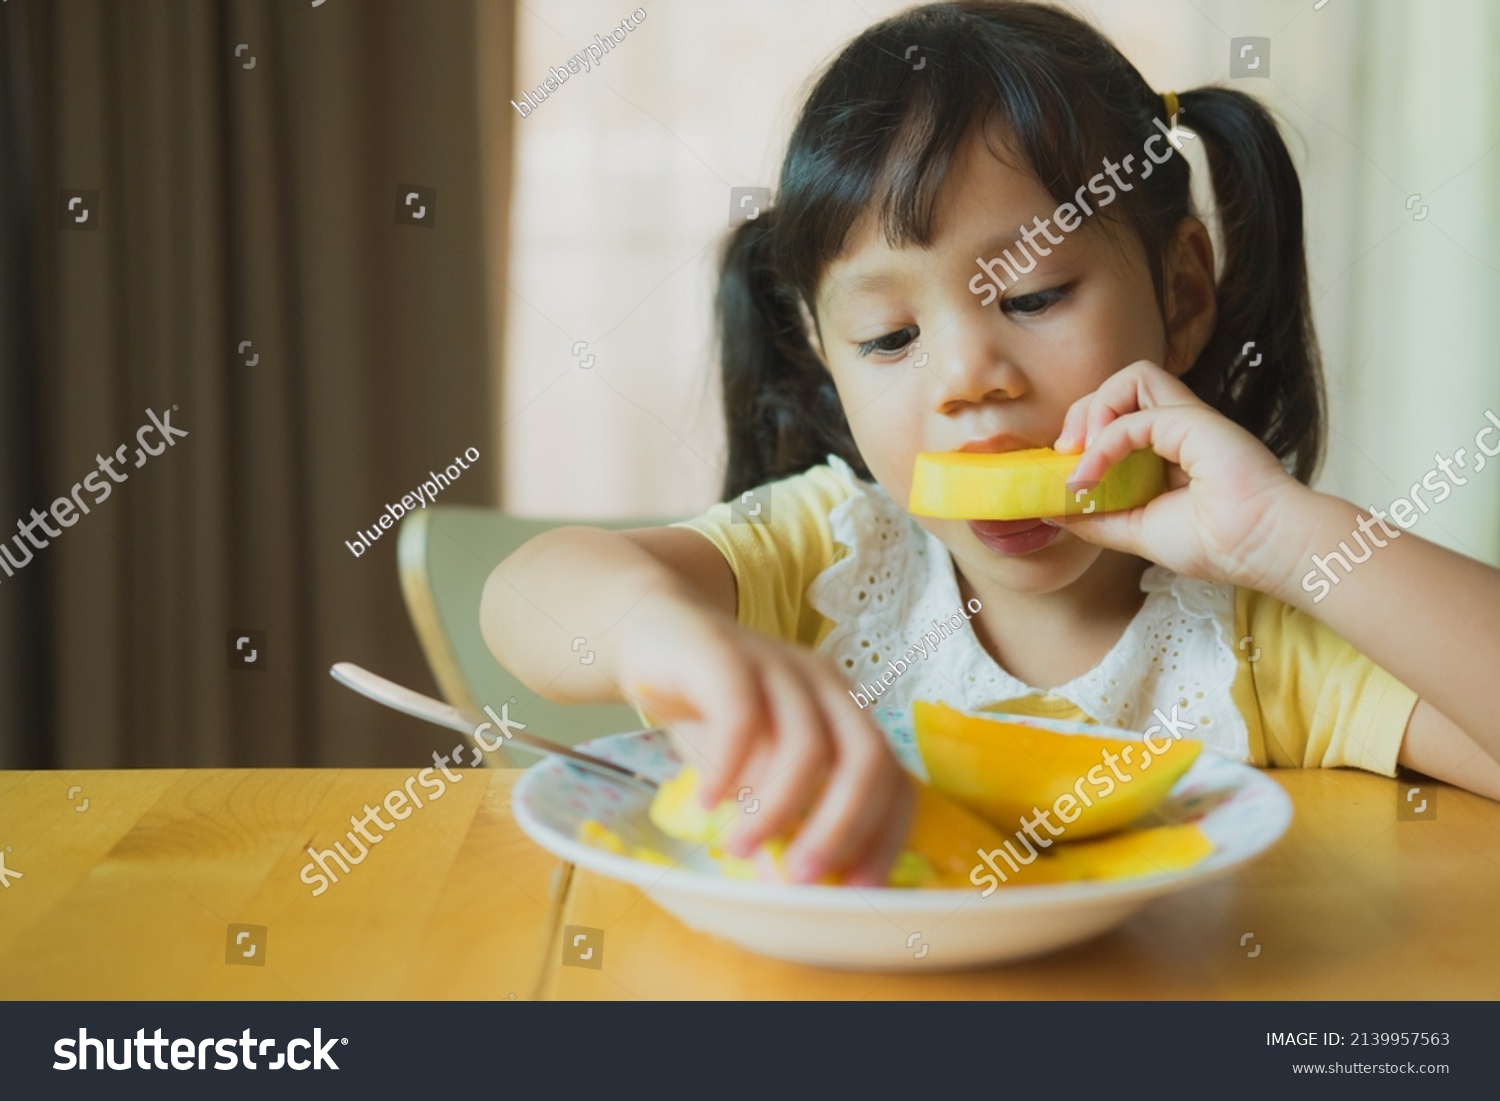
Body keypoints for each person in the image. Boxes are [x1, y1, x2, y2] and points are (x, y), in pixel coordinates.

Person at [481, 1, 1500, 886]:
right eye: (889, 338)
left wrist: (1286, 535)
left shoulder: (1257, 638)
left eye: (1034, 295)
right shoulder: (832, 558)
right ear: (825, 355)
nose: (971, 379)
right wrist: (664, 634)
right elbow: (524, 599)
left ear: (1183, 295)